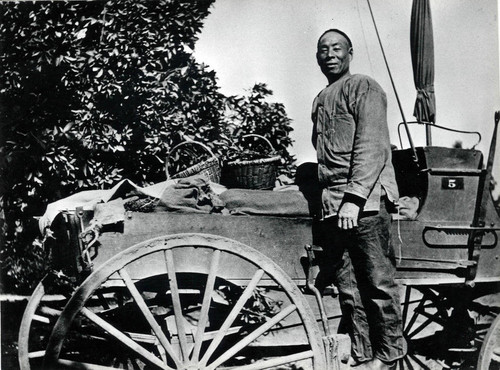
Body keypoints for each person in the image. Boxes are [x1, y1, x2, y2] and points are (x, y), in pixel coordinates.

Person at [311, 29, 407, 369]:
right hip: (333, 205)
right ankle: (365, 355)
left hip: (362, 203)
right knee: (349, 289)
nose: (330, 54)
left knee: (378, 284)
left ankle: (388, 356)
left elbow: (372, 146)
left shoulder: (363, 87)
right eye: (323, 49)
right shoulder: (321, 99)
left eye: (337, 48)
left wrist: (354, 198)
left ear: (350, 52)